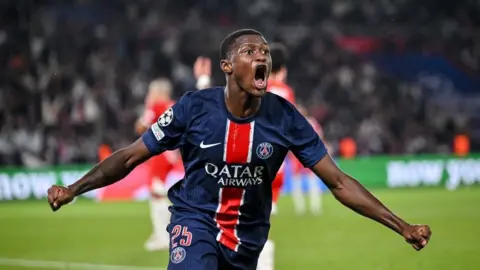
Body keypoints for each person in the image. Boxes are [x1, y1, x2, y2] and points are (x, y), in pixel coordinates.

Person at [47, 29, 431, 270]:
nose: (261, 55)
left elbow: (339, 183)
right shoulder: (193, 108)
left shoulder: (285, 118)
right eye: (249, 51)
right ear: (227, 66)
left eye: (263, 51)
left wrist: (402, 227)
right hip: (194, 219)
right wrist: (73, 190)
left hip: (247, 239)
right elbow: (131, 155)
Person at [135, 78, 180, 251]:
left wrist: (147, 107)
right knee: (157, 190)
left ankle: (165, 234)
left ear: (159, 93)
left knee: (155, 192)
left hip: (161, 152)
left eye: (152, 92)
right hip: (172, 153)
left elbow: (141, 127)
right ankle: (163, 232)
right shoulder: (175, 105)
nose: (150, 95)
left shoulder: (156, 106)